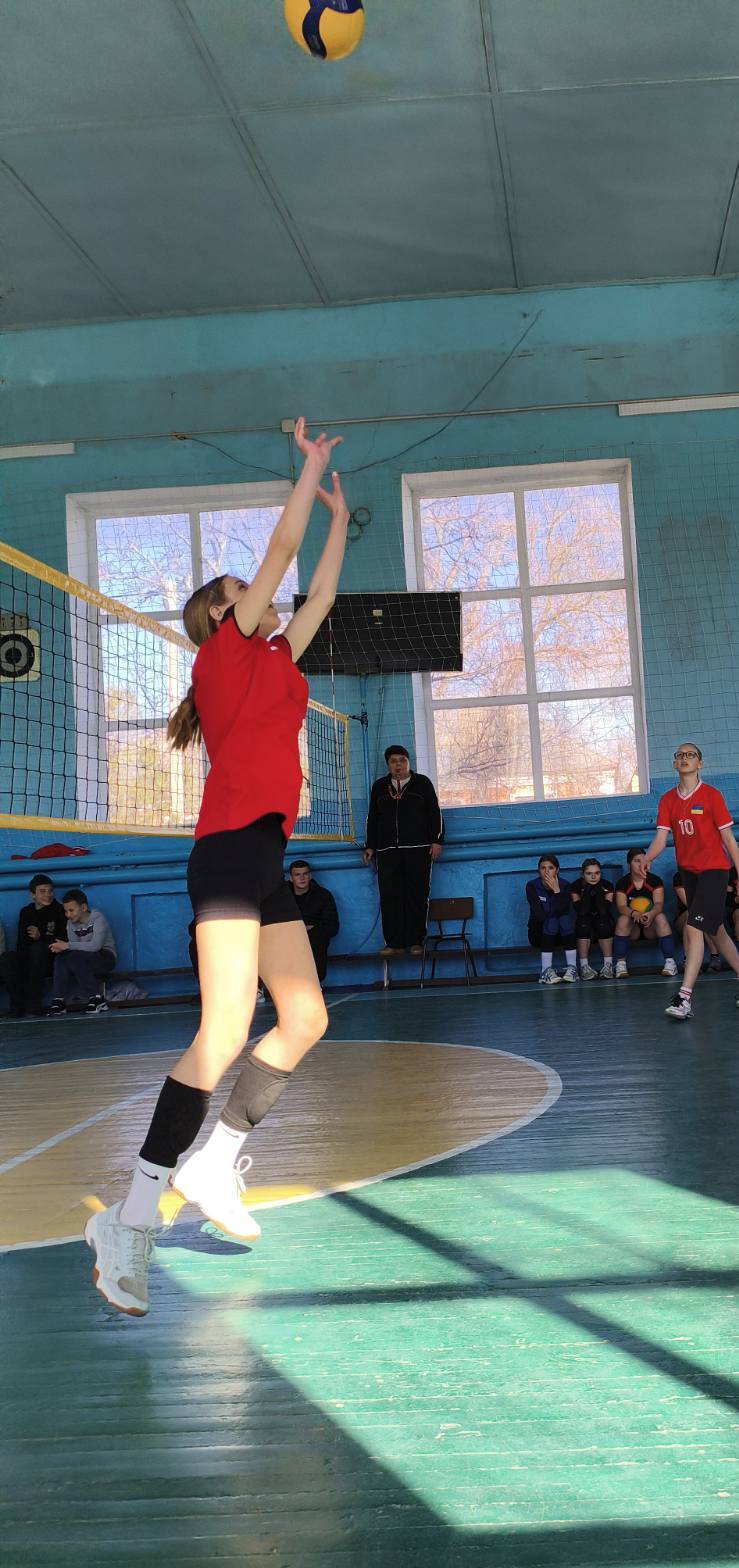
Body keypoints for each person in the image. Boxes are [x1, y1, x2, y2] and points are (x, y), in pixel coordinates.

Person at [85, 418, 349, 1316]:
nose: (259, 590)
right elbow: (281, 554)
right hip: (228, 852)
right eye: (242, 590)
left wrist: (339, 519)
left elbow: (317, 593)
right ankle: (129, 1219)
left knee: (305, 1017)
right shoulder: (224, 652)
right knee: (224, 1032)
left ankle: (215, 1159)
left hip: (267, 853)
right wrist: (309, 470)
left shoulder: (277, 658)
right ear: (220, 615)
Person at [642, 742, 739, 1021]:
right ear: (674, 763)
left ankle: (684, 997)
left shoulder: (712, 796)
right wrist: (647, 857)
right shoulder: (667, 800)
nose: (685, 758)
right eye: (680, 755)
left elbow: (728, 839)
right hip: (689, 873)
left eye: (690, 755)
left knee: (693, 927)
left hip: (714, 871)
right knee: (716, 931)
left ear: (700, 763)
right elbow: (661, 839)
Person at [363, 746, 443, 955]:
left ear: (408, 762)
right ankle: (394, 943)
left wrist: (436, 840)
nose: (398, 764)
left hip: (418, 850)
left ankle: (416, 941)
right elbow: (373, 818)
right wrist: (370, 845)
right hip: (387, 851)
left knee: (417, 895)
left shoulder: (422, 783)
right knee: (390, 896)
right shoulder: (379, 787)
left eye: (402, 760)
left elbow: (434, 813)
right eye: (393, 761)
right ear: (388, 765)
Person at [48, 889, 117, 1014]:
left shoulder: (98, 918)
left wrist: (67, 945)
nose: (68, 915)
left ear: (83, 908)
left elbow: (95, 946)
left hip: (105, 957)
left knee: (74, 956)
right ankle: (58, 1000)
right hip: (83, 959)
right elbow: (74, 948)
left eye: (71, 910)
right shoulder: (70, 924)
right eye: (66, 911)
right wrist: (62, 947)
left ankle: (97, 999)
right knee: (61, 958)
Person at [6, 874, 66, 1018]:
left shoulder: (59, 910)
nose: (48, 895)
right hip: (29, 958)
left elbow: (62, 940)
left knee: (38, 949)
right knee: (8, 958)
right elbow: (21, 943)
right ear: (33, 894)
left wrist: (41, 936)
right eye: (42, 891)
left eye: (50, 891)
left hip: (50, 960)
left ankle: (33, 1005)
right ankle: (17, 1006)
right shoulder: (26, 912)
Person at [614, 848, 677, 978]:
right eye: (636, 861)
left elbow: (659, 904)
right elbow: (621, 906)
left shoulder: (655, 880)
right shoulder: (623, 883)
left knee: (660, 917)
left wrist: (652, 914)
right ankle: (620, 964)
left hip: (650, 927)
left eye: (644, 861)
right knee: (622, 919)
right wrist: (634, 913)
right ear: (629, 864)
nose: (641, 864)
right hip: (633, 928)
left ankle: (670, 963)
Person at [287, 860, 340, 983]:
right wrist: (295, 928)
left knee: (317, 938)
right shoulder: (283, 897)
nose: (302, 878)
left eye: (305, 874)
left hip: (314, 938)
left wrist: (312, 928)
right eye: (297, 875)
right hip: (289, 938)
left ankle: (313, 983)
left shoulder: (323, 896)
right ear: (291, 878)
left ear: (310, 876)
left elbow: (333, 927)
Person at [526, 854, 577, 984]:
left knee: (565, 920)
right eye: (543, 868)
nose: (547, 871)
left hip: (561, 935)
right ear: (539, 870)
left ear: (557, 870)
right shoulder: (532, 886)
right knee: (552, 921)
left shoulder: (565, 885)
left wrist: (556, 890)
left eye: (551, 868)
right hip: (539, 933)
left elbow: (564, 910)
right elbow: (539, 914)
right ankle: (545, 971)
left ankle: (573, 969)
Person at [570, 858, 616, 978]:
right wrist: (587, 890)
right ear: (582, 874)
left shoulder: (607, 885)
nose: (593, 877)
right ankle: (584, 966)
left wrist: (597, 890)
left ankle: (608, 965)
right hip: (585, 925)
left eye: (597, 873)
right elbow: (581, 911)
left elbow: (603, 911)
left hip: (603, 923)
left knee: (603, 922)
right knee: (583, 923)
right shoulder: (575, 886)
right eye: (589, 873)